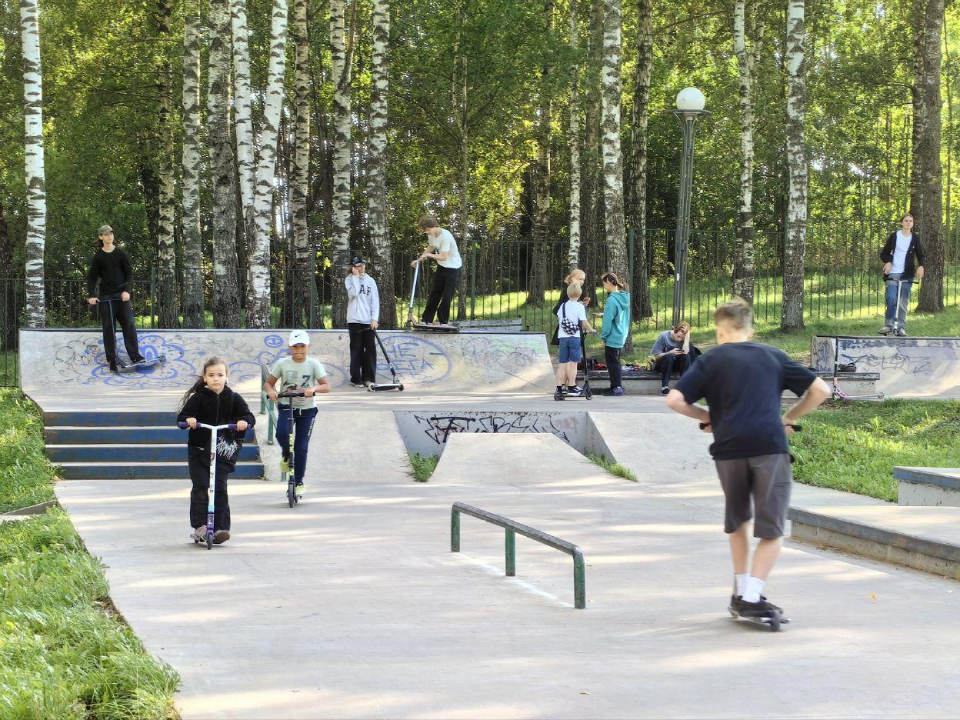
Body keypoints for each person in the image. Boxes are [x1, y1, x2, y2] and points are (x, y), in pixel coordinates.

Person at [665, 298, 831, 620]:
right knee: (772, 528)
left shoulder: (711, 360)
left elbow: (674, 400)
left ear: (719, 331)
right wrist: (788, 417)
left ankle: (742, 591)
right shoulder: (772, 356)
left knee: (738, 521)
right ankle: (752, 595)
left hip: (728, 449)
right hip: (769, 447)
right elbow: (820, 390)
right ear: (750, 330)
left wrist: (708, 417)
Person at [177, 357, 256, 545]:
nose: (216, 379)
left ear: (226, 377)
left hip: (222, 451)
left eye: (220, 375)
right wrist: (189, 420)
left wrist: (244, 422)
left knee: (220, 487)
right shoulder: (199, 398)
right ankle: (200, 527)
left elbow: (249, 416)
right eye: (211, 375)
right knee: (201, 486)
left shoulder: (234, 397)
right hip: (199, 449)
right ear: (205, 378)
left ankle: (221, 527)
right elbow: (182, 417)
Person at [263, 330, 330, 498]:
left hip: (307, 409)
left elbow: (326, 386)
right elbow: (268, 383)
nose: (298, 350)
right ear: (289, 347)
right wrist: (271, 392)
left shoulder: (313, 364)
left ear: (308, 346)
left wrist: (313, 389)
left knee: (301, 447)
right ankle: (286, 455)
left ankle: (298, 482)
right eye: (295, 346)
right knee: (282, 434)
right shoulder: (282, 363)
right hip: (287, 404)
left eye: (302, 346)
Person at [86, 224, 145, 372]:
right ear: (101, 237)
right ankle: (112, 360)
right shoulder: (98, 256)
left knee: (129, 325)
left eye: (111, 233)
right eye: (106, 234)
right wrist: (92, 296)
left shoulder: (120, 253)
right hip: (106, 298)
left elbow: (129, 273)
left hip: (122, 296)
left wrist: (127, 291)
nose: (109, 236)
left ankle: (135, 356)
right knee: (109, 329)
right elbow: (92, 277)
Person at [879, 212, 926, 337]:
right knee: (891, 298)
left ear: (913, 224)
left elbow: (921, 255)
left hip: (907, 274)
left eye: (910, 221)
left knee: (903, 302)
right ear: (901, 223)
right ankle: (888, 325)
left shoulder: (915, 238)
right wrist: (888, 262)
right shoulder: (895, 236)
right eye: (906, 220)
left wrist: (921, 266)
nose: (908, 223)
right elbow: (883, 253)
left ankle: (900, 328)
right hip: (893, 272)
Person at [412, 215, 462, 326]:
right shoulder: (432, 235)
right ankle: (426, 320)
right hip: (442, 266)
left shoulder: (445, 236)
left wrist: (429, 255)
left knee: (447, 296)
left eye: (428, 230)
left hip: (453, 267)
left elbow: (443, 256)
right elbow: (431, 247)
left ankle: (442, 321)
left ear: (434, 226)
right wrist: (420, 259)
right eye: (425, 231)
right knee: (435, 293)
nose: (427, 232)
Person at [554, 282, 597, 400]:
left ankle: (559, 389)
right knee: (573, 364)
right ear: (579, 294)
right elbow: (583, 322)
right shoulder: (580, 307)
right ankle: (572, 386)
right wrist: (591, 329)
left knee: (562, 364)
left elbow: (559, 320)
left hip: (563, 337)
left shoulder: (562, 306)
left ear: (567, 293)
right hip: (574, 337)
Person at [344, 254, 380, 388]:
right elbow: (354, 293)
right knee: (356, 349)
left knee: (370, 349)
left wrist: (374, 318)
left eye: (363, 265)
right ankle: (356, 378)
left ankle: (369, 378)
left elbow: (375, 300)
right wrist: (355, 277)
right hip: (354, 320)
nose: (361, 268)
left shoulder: (371, 281)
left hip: (368, 321)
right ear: (353, 267)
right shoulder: (349, 280)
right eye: (358, 266)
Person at [598, 272, 630, 396]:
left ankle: (617, 388)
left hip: (612, 335)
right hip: (621, 333)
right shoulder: (624, 297)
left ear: (610, 282)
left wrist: (603, 336)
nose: (604, 286)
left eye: (604, 283)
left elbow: (608, 321)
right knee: (615, 361)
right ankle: (614, 386)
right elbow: (618, 315)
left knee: (613, 363)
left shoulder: (611, 299)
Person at [652, 322, 700, 395]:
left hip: (675, 365)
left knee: (686, 356)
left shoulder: (684, 340)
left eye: (682, 337)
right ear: (675, 330)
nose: (679, 339)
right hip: (663, 364)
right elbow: (656, 355)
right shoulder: (664, 336)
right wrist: (669, 353)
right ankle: (665, 387)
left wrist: (687, 338)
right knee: (669, 357)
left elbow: (686, 352)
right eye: (678, 336)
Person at [551, 268, 591, 346]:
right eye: (580, 279)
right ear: (572, 278)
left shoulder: (577, 290)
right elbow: (557, 309)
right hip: (567, 328)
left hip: (573, 328)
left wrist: (581, 304)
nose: (582, 281)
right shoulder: (567, 291)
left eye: (583, 279)